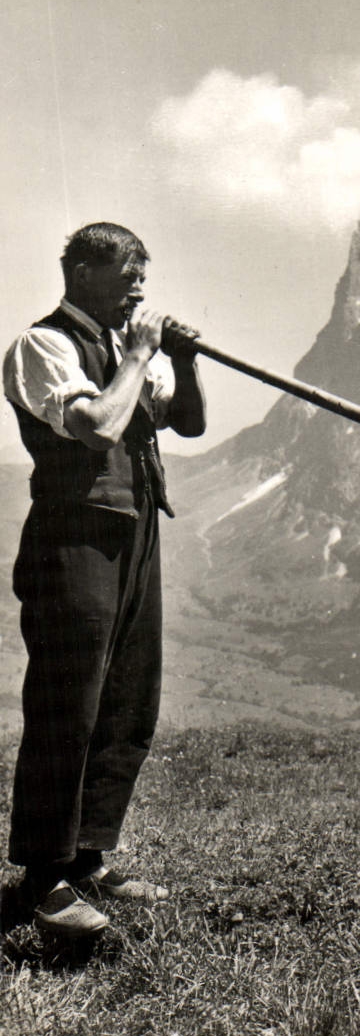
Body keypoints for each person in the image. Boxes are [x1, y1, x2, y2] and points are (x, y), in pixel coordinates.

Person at [2, 222, 204, 938]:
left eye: (144, 276)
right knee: (70, 705)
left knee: (127, 701)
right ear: (83, 272)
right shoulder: (43, 345)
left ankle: (89, 856)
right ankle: (44, 878)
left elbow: (190, 423)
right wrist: (144, 352)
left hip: (136, 532)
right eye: (127, 274)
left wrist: (181, 359)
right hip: (74, 538)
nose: (139, 289)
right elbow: (96, 426)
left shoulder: (130, 352)